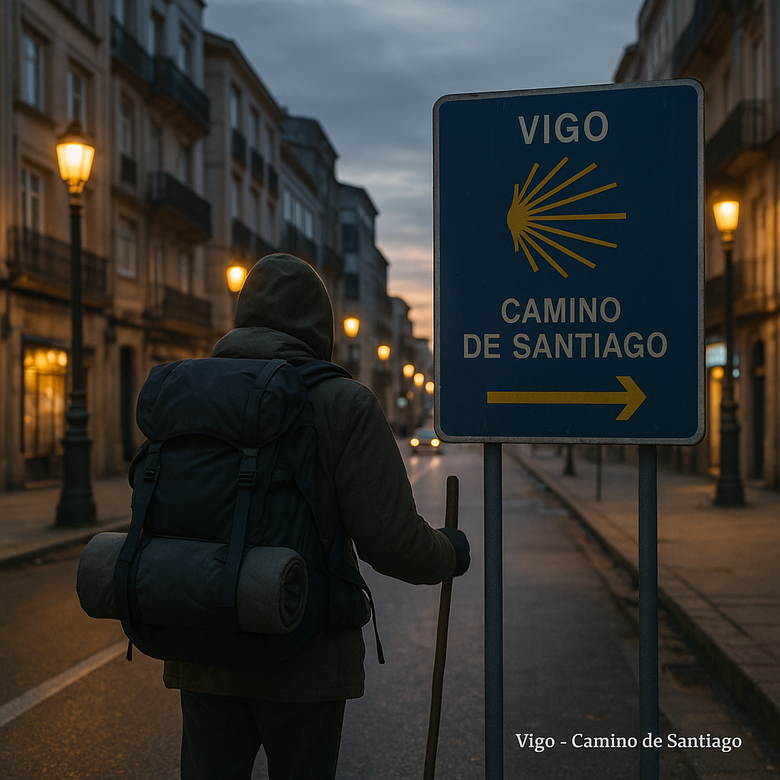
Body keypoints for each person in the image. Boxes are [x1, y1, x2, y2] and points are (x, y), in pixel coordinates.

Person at [163, 253, 471, 780]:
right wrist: (451, 551)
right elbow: (392, 542)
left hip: (203, 647)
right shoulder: (343, 404)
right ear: (320, 327)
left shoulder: (190, 394)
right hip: (305, 657)